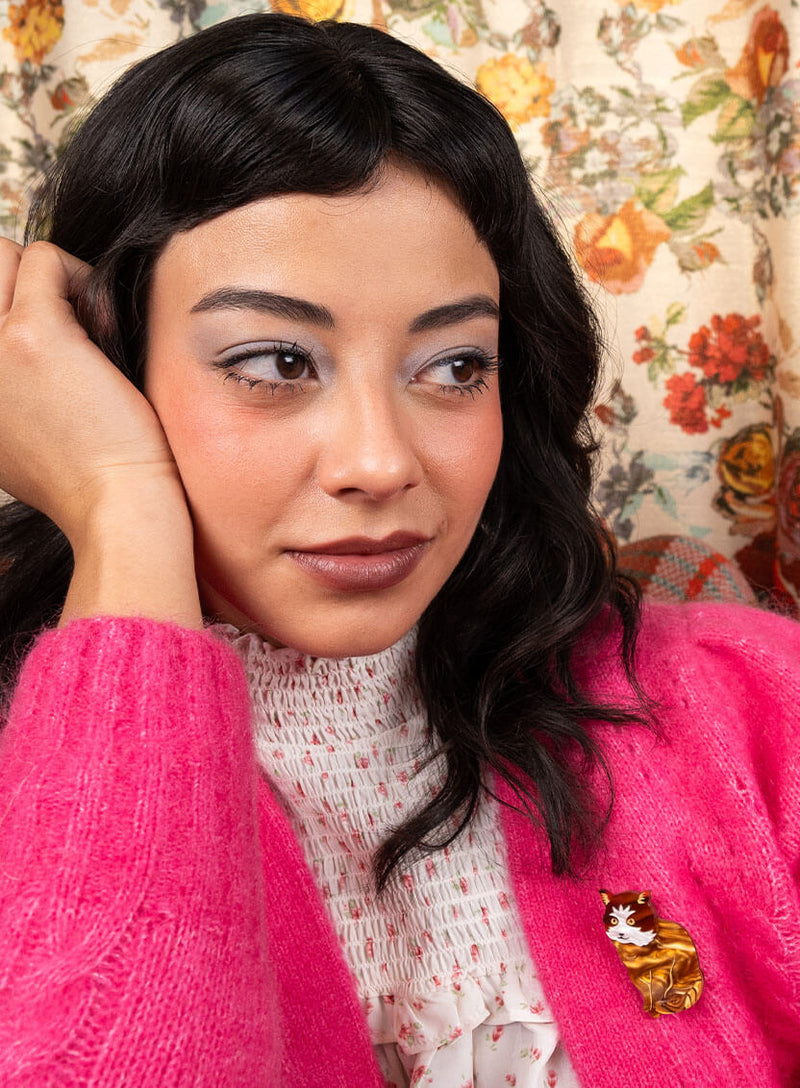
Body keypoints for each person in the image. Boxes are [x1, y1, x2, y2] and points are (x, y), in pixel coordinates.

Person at [0, 13, 797, 1088]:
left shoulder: (755, 710)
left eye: (454, 366)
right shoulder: (26, 769)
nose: (380, 462)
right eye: (274, 359)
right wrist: (120, 510)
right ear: (104, 369)